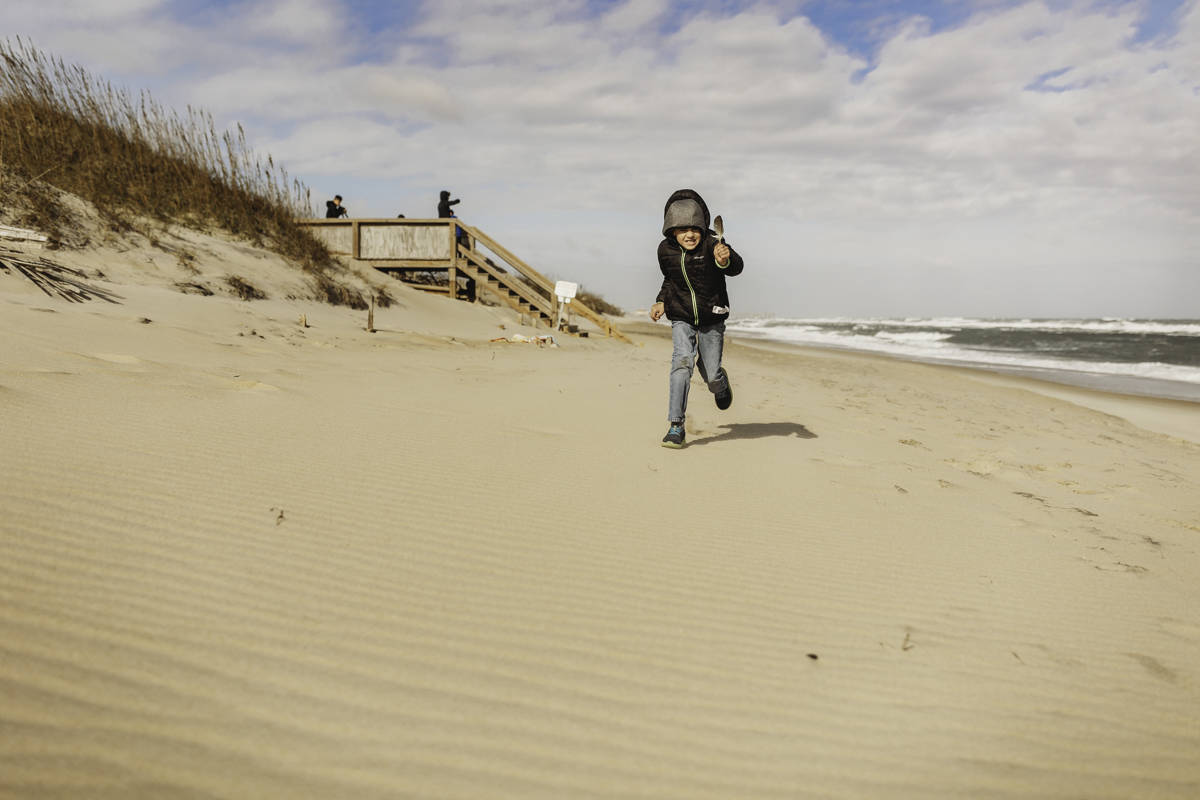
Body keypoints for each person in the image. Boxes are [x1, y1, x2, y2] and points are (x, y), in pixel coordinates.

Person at [650, 188, 744, 448]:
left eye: (694, 228)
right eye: (682, 229)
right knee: (682, 362)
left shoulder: (714, 244)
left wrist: (725, 260)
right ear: (671, 230)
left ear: (703, 227)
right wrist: (660, 300)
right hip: (680, 315)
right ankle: (676, 426)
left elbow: (736, 267)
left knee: (712, 376)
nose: (689, 234)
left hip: (712, 316)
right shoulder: (665, 250)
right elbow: (670, 279)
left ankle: (720, 383)